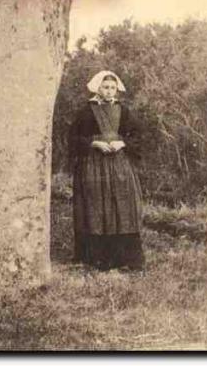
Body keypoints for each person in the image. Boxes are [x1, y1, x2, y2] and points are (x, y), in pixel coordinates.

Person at [67, 70, 145, 271]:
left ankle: (125, 258)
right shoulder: (85, 111)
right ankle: (98, 258)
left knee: (123, 207)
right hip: (94, 167)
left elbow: (138, 137)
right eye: (105, 87)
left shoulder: (124, 111)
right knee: (96, 207)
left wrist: (123, 143)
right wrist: (94, 144)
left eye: (112, 87)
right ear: (97, 88)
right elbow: (73, 139)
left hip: (119, 165)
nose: (109, 91)